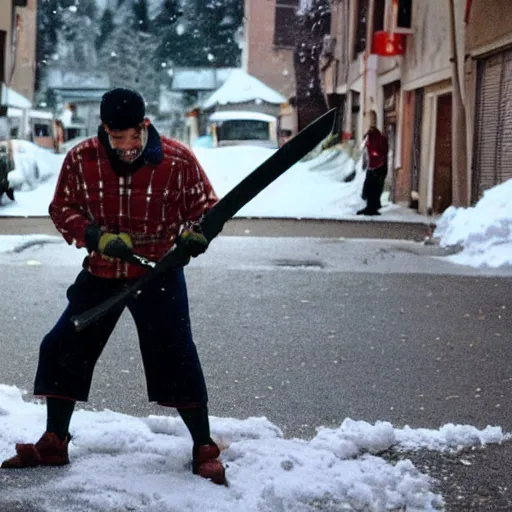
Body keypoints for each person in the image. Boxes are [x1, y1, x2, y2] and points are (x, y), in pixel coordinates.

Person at [1, 88, 227, 486]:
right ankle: (55, 440)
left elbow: (206, 207)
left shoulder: (177, 160)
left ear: (145, 125)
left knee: (176, 355)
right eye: (115, 136)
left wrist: (196, 235)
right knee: (62, 345)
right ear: (103, 128)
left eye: (133, 136)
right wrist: (95, 235)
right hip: (103, 269)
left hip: (158, 272)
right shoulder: (81, 158)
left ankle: (204, 445)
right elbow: (62, 208)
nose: (125, 146)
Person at [357, 111, 388, 216]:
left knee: (373, 188)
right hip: (373, 166)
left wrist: (375, 155)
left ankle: (372, 208)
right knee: (370, 187)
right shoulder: (370, 137)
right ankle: (371, 206)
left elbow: (379, 152)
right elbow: (363, 147)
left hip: (378, 166)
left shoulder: (377, 138)